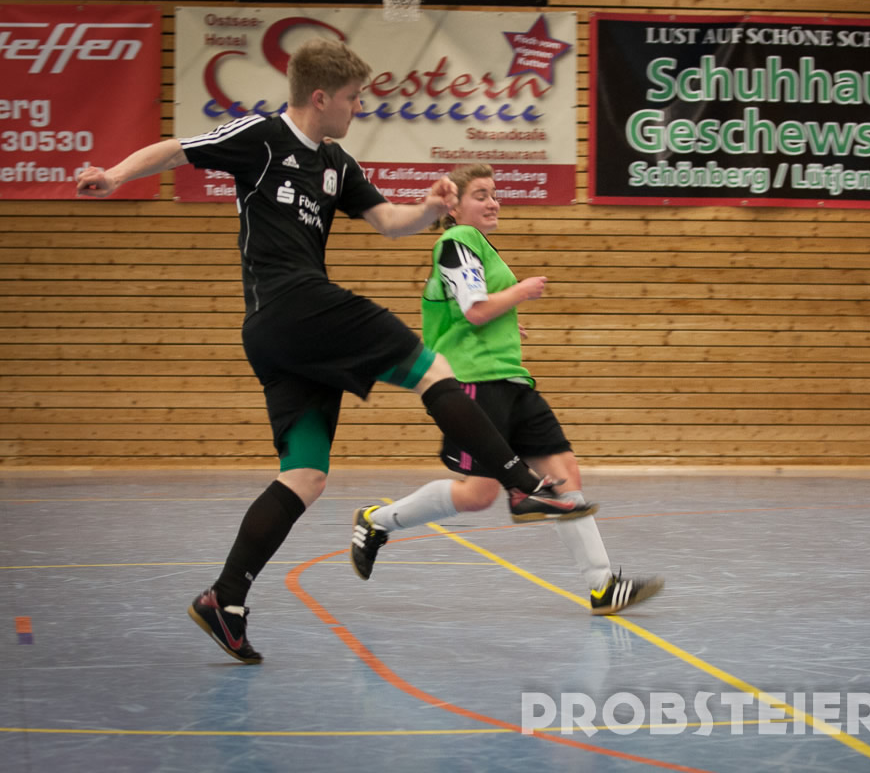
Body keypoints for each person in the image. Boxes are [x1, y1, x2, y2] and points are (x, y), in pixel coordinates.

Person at [76, 39, 592, 664]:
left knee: (305, 475)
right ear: (320, 97)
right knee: (433, 369)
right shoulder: (262, 137)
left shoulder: (336, 163)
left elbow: (388, 222)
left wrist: (429, 208)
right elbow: (176, 149)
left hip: (285, 337)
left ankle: (225, 599)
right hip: (292, 304)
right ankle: (522, 483)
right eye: (353, 98)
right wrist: (113, 175)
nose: (358, 108)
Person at [349, 163, 664, 616]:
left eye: (494, 194)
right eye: (480, 195)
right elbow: (475, 310)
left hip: (512, 380)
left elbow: (473, 312)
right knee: (478, 495)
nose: (493, 202)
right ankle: (376, 520)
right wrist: (522, 292)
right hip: (475, 384)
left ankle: (602, 585)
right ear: (454, 207)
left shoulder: (479, 246)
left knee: (564, 474)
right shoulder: (456, 241)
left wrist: (509, 323)